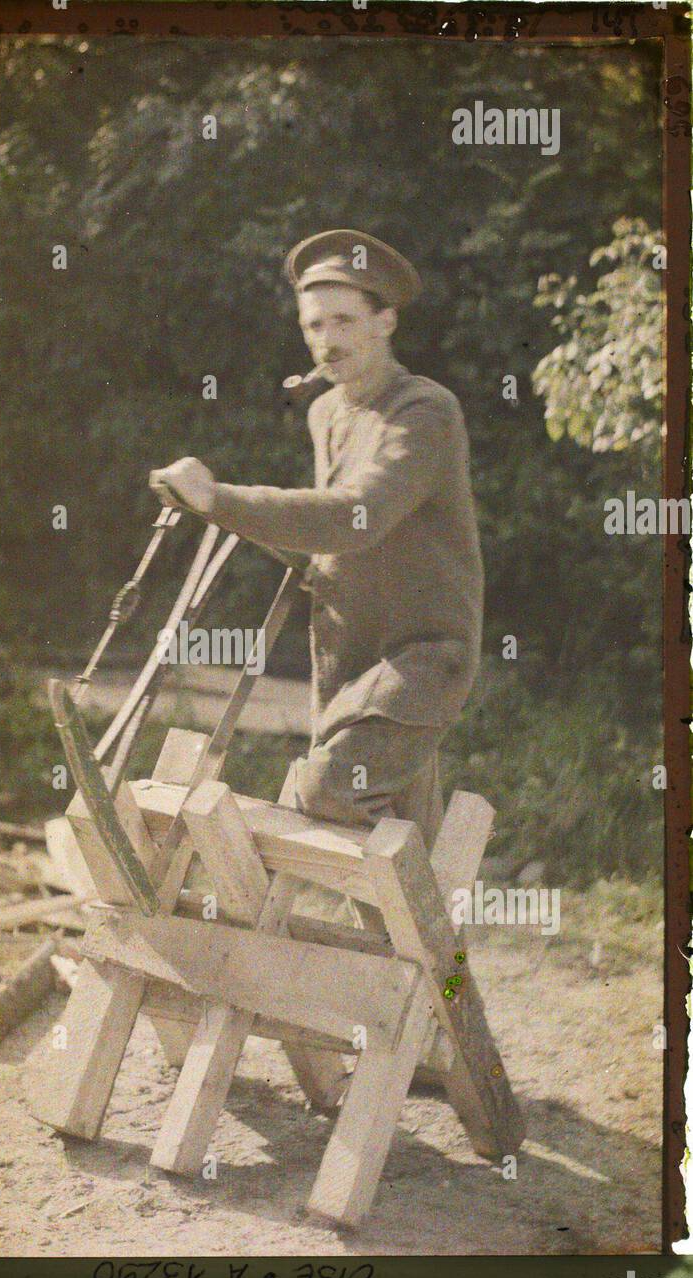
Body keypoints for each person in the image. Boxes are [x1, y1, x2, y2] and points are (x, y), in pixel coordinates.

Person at [149, 228, 483, 850]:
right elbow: (323, 546)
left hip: (421, 659)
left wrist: (220, 497)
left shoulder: (425, 411)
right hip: (346, 661)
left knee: (327, 793)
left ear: (385, 321)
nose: (326, 343)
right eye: (313, 326)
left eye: (343, 322)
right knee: (398, 851)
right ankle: (429, 951)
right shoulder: (326, 412)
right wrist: (220, 514)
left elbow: (357, 516)